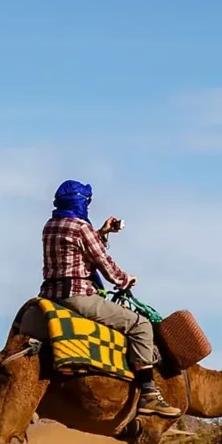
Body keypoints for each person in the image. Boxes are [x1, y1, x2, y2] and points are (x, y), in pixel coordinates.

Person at [40, 179, 180, 418]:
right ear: (80, 203)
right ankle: (148, 393)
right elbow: (103, 262)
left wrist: (102, 233)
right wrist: (124, 280)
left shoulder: (50, 225)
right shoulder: (80, 227)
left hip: (50, 295)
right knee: (141, 326)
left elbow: (78, 251)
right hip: (77, 296)